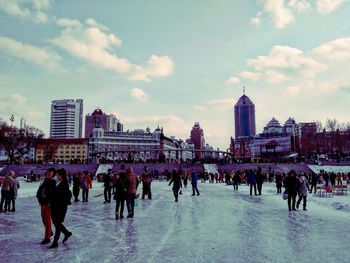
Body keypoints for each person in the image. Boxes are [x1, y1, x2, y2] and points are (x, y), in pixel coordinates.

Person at [49, 168, 72, 249]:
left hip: (60, 207)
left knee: (57, 224)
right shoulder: (59, 182)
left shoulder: (64, 183)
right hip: (55, 206)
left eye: (58, 174)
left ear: (61, 175)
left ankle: (55, 242)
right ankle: (66, 233)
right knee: (56, 223)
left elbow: (62, 196)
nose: (57, 176)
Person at [36, 168, 56, 245]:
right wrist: (39, 198)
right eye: (47, 172)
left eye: (50, 173)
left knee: (47, 221)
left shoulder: (53, 182)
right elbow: (39, 191)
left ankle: (47, 238)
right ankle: (50, 232)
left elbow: (53, 194)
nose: (48, 174)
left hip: (48, 204)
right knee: (43, 219)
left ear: (53, 174)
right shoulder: (44, 181)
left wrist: (50, 202)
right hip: (42, 203)